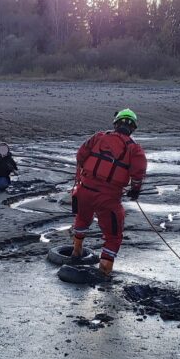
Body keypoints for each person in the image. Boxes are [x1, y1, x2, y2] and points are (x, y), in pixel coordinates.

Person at [70, 108, 146, 278]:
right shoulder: (135, 150)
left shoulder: (98, 138)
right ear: (133, 128)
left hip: (85, 191)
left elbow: (81, 155)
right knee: (113, 237)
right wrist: (135, 191)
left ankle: (76, 252)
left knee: (82, 219)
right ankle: (104, 272)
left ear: (116, 123)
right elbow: (138, 173)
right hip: (109, 198)